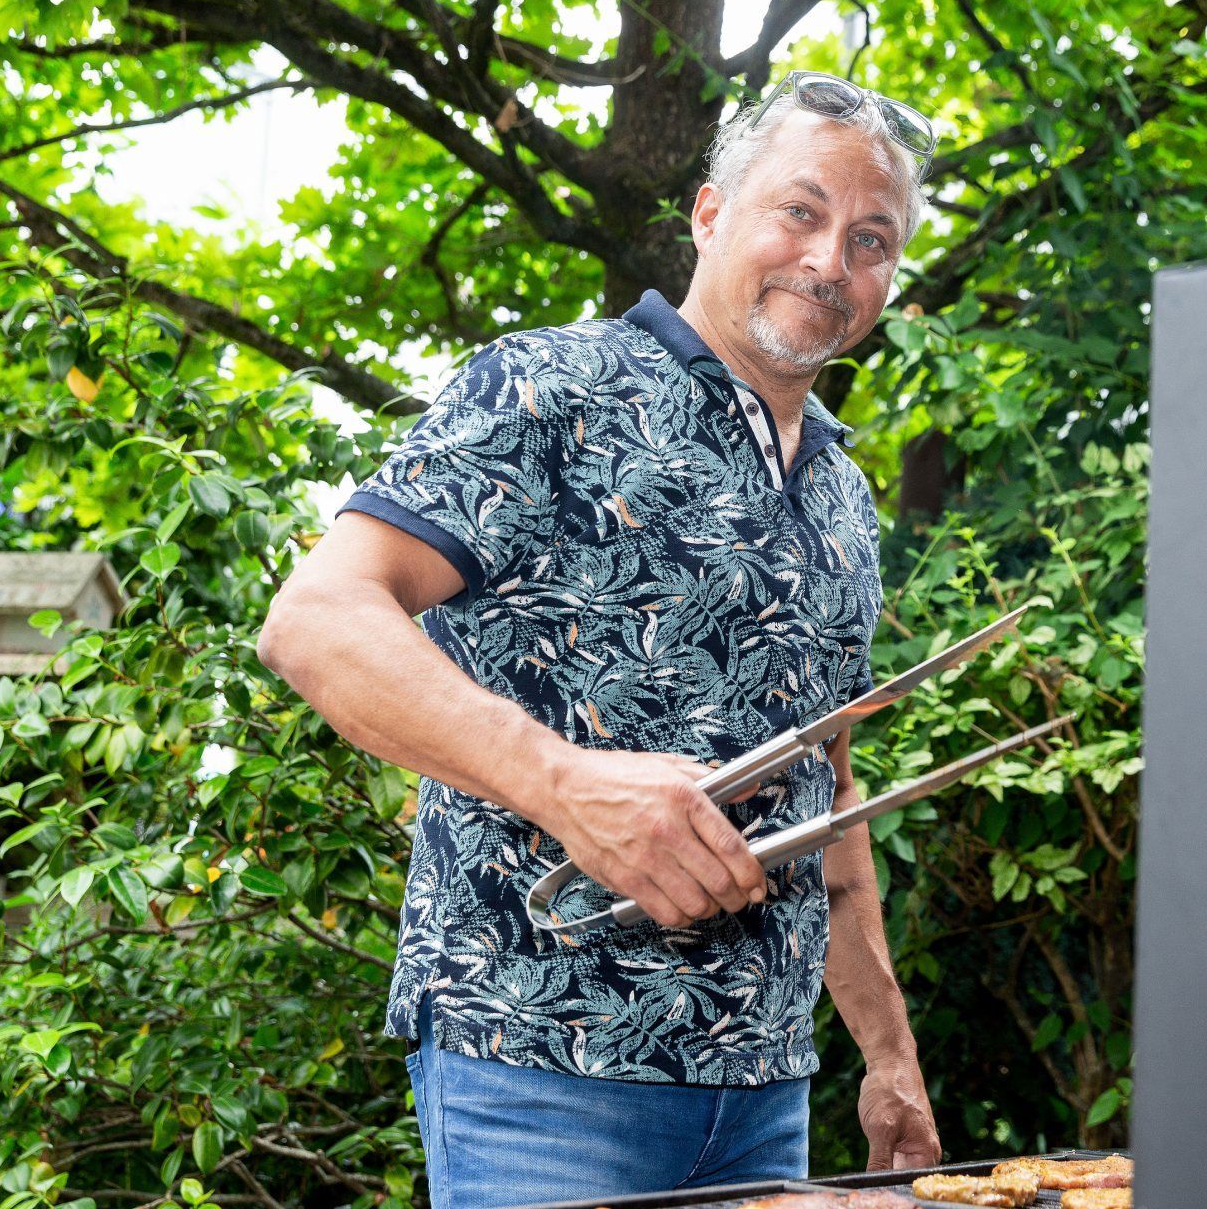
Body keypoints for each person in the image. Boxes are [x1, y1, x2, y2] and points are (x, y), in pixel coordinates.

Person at [258, 70, 940, 1207]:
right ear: (712, 213)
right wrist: (565, 784)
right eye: (801, 211)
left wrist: (887, 1050)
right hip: (540, 1074)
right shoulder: (546, 386)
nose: (831, 259)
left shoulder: (842, 493)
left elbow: (825, 785)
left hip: (766, 1089)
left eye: (873, 238)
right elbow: (316, 620)